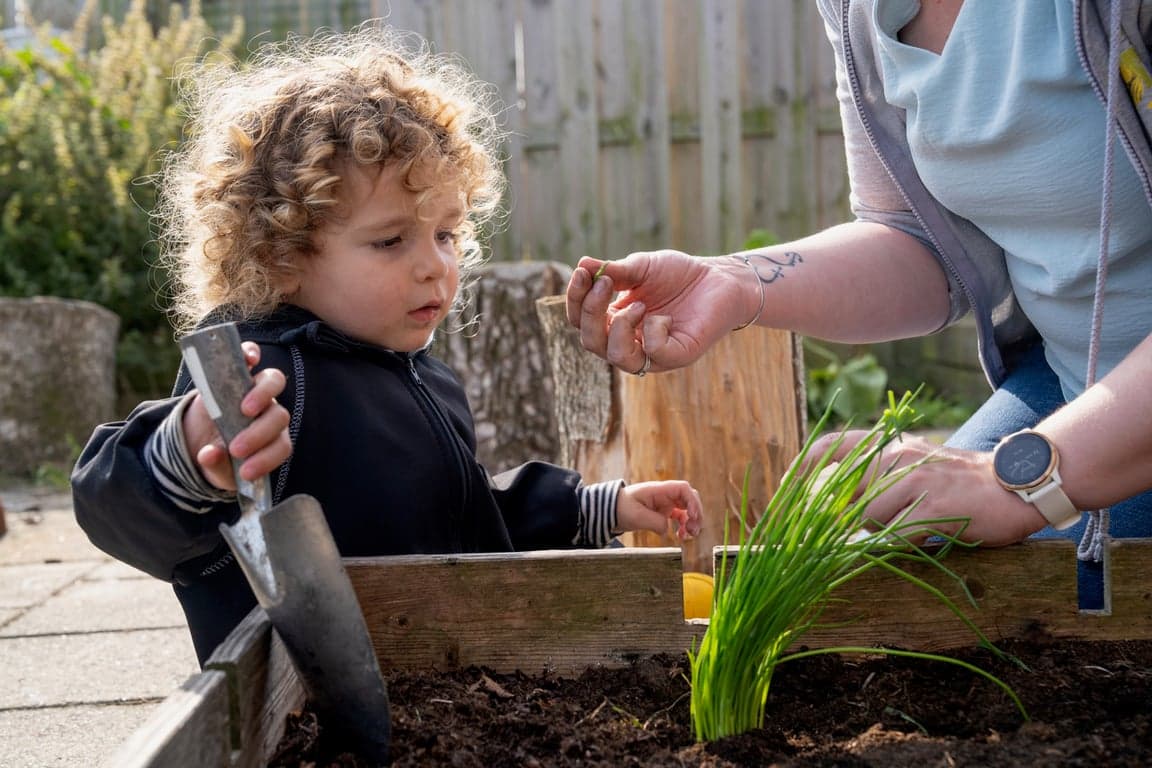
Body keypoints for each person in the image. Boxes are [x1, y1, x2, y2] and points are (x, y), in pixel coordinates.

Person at [71, 24, 703, 665]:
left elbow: (463, 521)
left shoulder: (424, 376)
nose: (435, 266)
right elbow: (117, 504)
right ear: (282, 255)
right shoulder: (264, 381)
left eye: (447, 234)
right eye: (390, 240)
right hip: (315, 711)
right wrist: (186, 455)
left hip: (449, 687)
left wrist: (594, 507)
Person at [565, 0, 1152, 610]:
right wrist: (734, 282)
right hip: (1066, 375)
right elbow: (919, 239)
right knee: (905, 593)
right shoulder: (855, 9)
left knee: (1051, 618)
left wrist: (1016, 482)